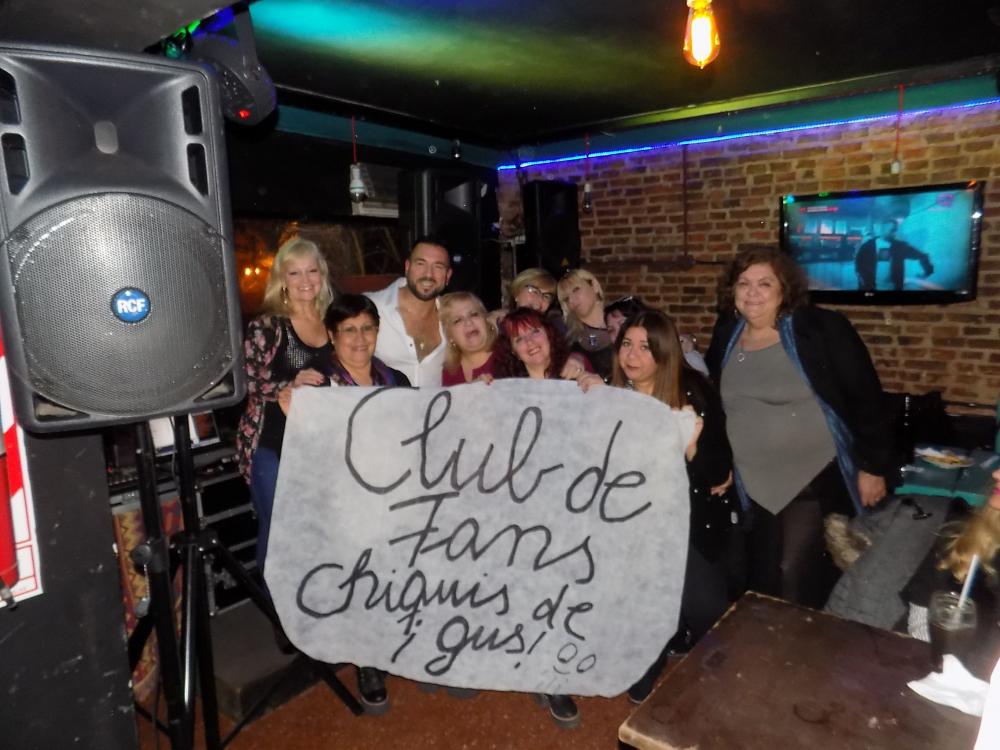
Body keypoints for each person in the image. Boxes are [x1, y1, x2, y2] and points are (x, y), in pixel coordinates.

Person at [705, 246, 892, 609]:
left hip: (809, 478)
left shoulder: (820, 329)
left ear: (784, 289)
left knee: (794, 574)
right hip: (753, 482)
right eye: (743, 283)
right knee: (761, 579)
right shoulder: (728, 333)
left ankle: (802, 641)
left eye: (764, 283)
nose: (752, 293)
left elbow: (866, 398)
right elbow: (717, 405)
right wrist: (719, 462)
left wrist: (873, 467)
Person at [278, 294, 409, 715]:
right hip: (343, 499)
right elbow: (306, 449)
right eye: (349, 330)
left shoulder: (397, 380)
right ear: (332, 336)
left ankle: (402, 645)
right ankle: (368, 662)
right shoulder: (317, 384)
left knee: (397, 573)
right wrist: (293, 412)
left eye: (367, 328)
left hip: (395, 493)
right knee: (361, 578)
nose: (359, 338)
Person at [594, 309, 734, 702]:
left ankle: (723, 681)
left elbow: (718, 473)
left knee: (706, 609)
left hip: (687, 520)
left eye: (645, 347)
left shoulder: (692, 392)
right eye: (627, 344)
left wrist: (691, 447)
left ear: (664, 352)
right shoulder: (611, 395)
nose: (632, 355)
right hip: (631, 521)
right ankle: (649, 661)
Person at [491, 306, 597, 727]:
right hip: (522, 505)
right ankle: (549, 675)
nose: (530, 343)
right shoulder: (504, 390)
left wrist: (595, 385)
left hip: (575, 503)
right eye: (519, 339)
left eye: (535, 332)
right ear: (512, 350)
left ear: (550, 334)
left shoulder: (577, 378)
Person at [236, 236, 335, 570]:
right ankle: (272, 599)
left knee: (317, 532)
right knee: (279, 530)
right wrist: (289, 384)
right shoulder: (267, 326)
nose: (305, 280)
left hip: (319, 446)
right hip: (271, 443)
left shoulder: (333, 322)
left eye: (312, 271)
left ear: (322, 275)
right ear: (282, 279)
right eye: (295, 273)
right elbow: (245, 382)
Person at [365, 237, 452, 386]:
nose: (428, 274)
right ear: (407, 267)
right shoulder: (370, 308)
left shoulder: (453, 316)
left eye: (438, 267)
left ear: (448, 276)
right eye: (420, 264)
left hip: (436, 402)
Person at [605, 296, 709, 377]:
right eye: (611, 330)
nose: (618, 334)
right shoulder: (612, 367)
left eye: (623, 324)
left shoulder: (680, 357)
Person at [557, 268, 614, 380]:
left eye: (576, 290)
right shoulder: (569, 339)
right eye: (566, 298)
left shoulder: (624, 321)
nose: (572, 300)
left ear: (594, 286)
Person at [855, 218, 934, 291]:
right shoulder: (868, 246)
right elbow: (859, 262)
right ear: (883, 229)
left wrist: (927, 271)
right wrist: (861, 278)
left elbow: (923, 256)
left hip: (893, 288)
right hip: (869, 288)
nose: (895, 233)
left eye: (895, 230)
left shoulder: (901, 246)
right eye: (892, 230)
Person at [439, 292, 498, 385]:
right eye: (458, 320)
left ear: (486, 321)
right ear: (450, 336)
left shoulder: (508, 358)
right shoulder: (449, 373)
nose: (468, 322)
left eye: (474, 314)